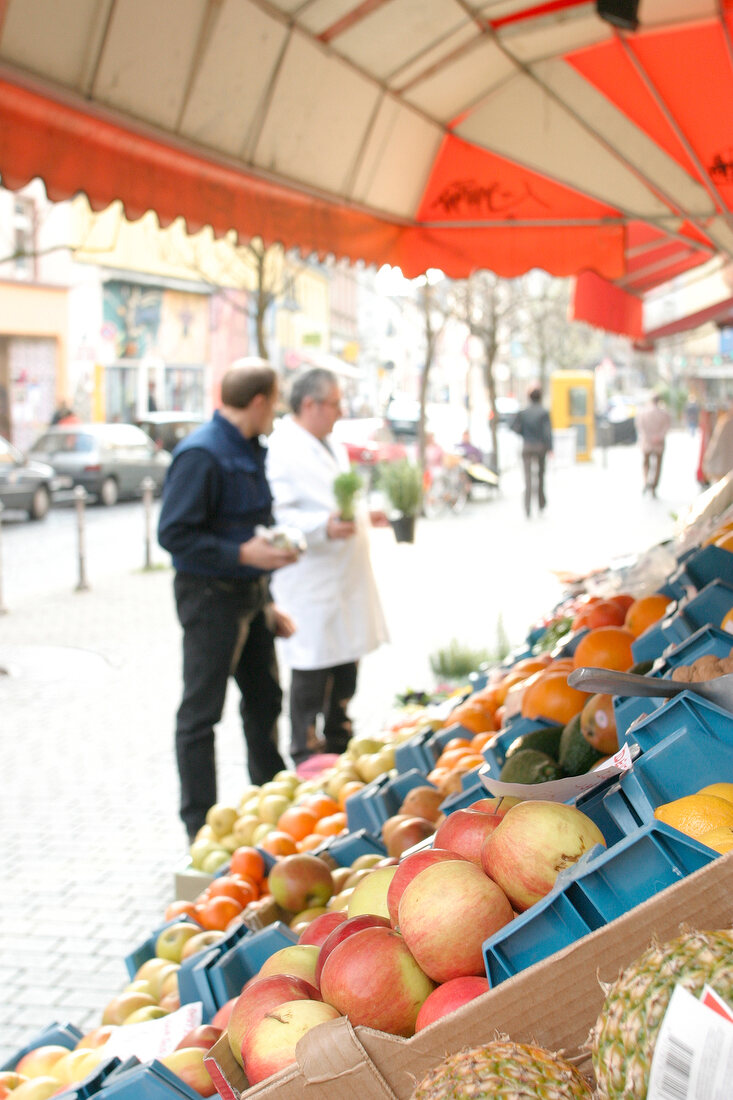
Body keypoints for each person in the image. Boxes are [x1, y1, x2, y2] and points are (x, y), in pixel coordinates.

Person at [158, 358, 299, 841]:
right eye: (274, 401)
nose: (275, 410)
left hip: (250, 598)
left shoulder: (249, 447)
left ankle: (276, 808)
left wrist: (267, 597)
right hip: (209, 600)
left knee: (264, 699)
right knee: (201, 715)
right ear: (258, 401)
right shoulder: (201, 454)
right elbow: (174, 534)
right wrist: (242, 553)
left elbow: (250, 529)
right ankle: (199, 828)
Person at [265, 368, 389, 768]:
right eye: (335, 402)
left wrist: (363, 515)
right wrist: (322, 528)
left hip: (343, 579)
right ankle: (306, 755)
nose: (341, 410)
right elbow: (279, 518)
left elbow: (334, 497)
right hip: (311, 581)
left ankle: (340, 740)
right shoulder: (282, 449)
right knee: (311, 674)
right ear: (309, 404)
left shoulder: (328, 442)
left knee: (345, 667)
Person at [511, 385, 553, 517]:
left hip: (527, 446)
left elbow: (513, 427)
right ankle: (541, 504)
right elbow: (547, 432)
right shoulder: (544, 412)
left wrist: (524, 434)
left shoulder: (523, 412)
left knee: (528, 478)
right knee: (540, 476)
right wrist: (550, 448)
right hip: (540, 447)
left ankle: (527, 507)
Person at [635, 393, 671, 497]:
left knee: (646, 463)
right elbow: (667, 427)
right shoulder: (664, 413)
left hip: (647, 441)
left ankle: (646, 481)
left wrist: (647, 436)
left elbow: (640, 426)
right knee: (658, 465)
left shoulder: (643, 413)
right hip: (658, 442)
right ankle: (654, 486)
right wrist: (658, 436)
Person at [702, 399, 733, 483]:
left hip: (724, 470)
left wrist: (707, 465)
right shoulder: (725, 422)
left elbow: (715, 445)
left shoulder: (725, 422)